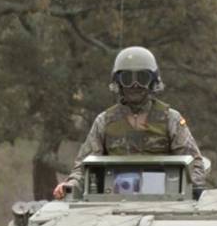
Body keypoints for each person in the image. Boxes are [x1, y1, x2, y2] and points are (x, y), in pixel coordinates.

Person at [53, 46, 206, 199]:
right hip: (112, 201)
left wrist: (192, 191)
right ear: (118, 83)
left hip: (164, 201)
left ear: (152, 81)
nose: (134, 85)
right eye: (127, 79)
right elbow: (84, 166)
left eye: (142, 78)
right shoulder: (104, 121)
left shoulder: (171, 119)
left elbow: (194, 164)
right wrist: (71, 184)